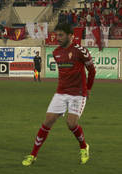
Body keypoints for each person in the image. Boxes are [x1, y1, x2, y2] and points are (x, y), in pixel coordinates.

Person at [22, 23, 96, 166]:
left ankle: (83, 147)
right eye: (56, 35)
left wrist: (89, 89)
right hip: (61, 92)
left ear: (70, 35)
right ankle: (33, 154)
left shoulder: (80, 51)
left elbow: (91, 71)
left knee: (71, 123)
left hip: (78, 93)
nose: (57, 38)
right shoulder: (56, 52)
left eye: (61, 35)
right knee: (47, 121)